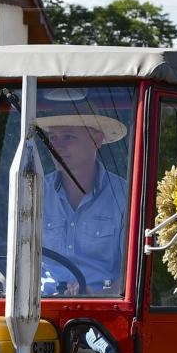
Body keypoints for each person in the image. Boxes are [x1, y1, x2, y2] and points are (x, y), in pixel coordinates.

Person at [37, 112, 129, 294]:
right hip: (38, 309)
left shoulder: (124, 195)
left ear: (97, 139)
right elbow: (15, 260)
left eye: (68, 137)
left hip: (102, 314)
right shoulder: (34, 191)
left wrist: (98, 295)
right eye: (53, 138)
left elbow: (133, 274)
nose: (57, 147)